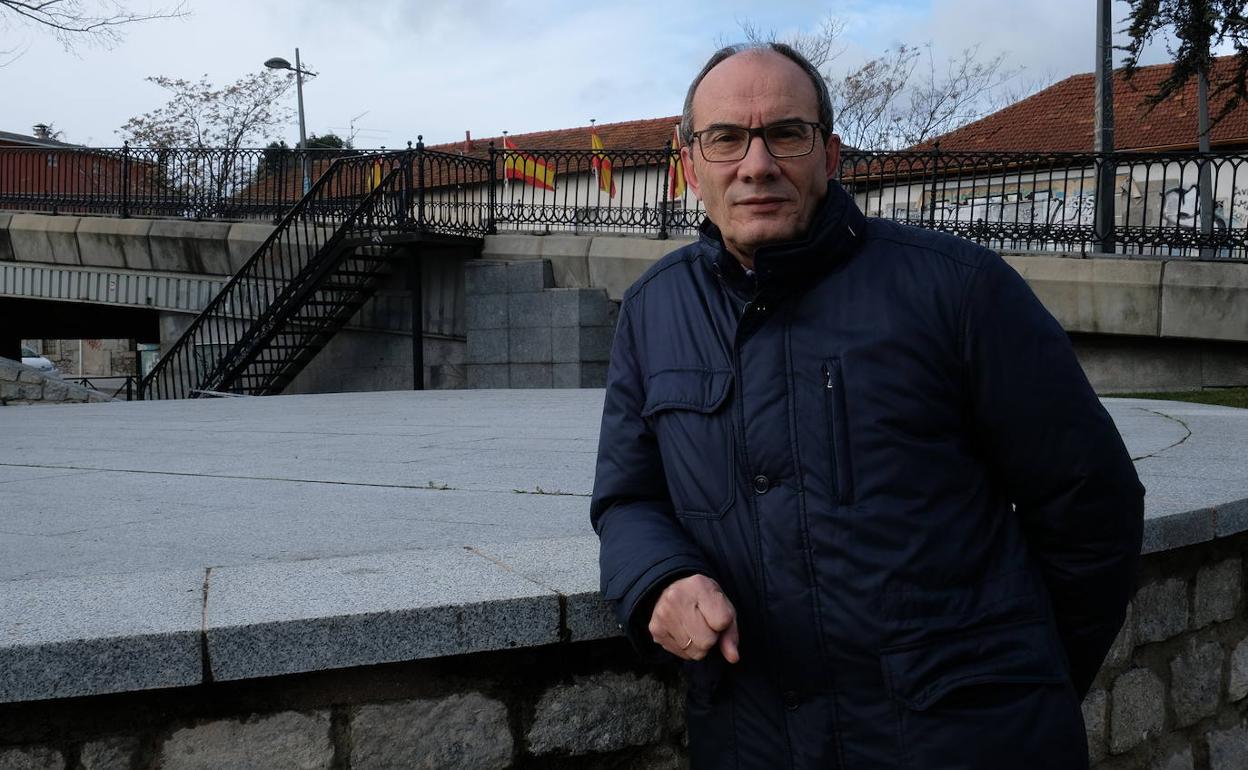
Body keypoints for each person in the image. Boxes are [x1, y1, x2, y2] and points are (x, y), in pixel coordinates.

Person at [590, 42, 1144, 769]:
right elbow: (627, 498)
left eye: (785, 133)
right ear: (690, 164)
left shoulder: (960, 289)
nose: (756, 164)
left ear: (831, 154)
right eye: (725, 138)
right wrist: (656, 578)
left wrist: (1019, 689)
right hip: (754, 742)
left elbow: (1090, 507)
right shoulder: (655, 310)